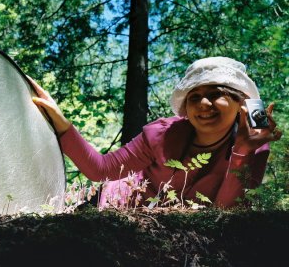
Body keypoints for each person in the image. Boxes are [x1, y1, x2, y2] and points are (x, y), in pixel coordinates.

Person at [29, 57, 282, 208]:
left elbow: (226, 213)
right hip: (115, 209)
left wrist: (243, 151)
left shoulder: (254, 146)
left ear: (241, 104)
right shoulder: (162, 134)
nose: (203, 104)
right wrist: (61, 122)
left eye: (216, 94)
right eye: (194, 97)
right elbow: (101, 169)